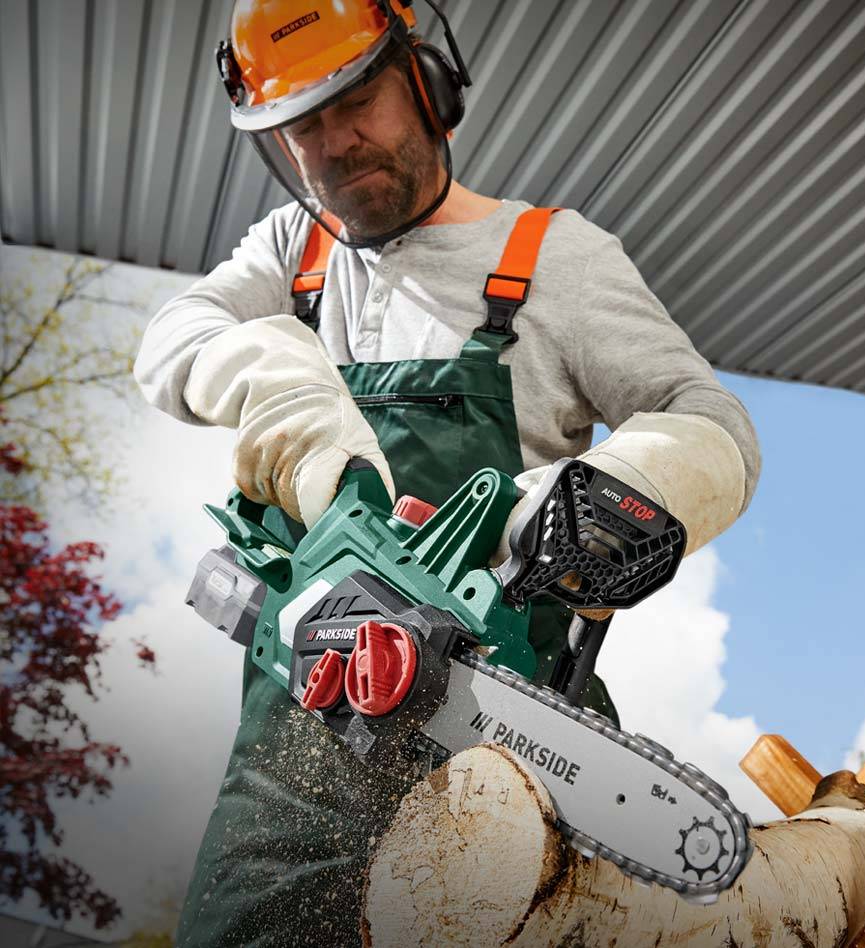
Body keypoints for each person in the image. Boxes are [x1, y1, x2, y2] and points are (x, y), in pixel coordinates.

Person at [133, 1, 760, 944]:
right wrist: (277, 378)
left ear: (428, 83)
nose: (337, 142)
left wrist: (608, 492)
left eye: (359, 100)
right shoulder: (290, 256)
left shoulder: (553, 255)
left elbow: (713, 424)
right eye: (302, 124)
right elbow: (170, 343)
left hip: (509, 729)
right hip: (294, 761)